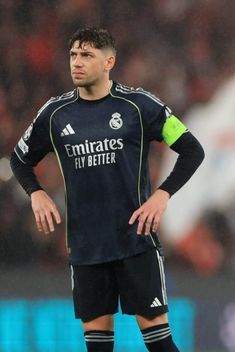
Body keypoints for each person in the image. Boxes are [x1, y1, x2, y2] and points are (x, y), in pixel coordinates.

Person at [11, 27, 205, 352]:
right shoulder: (54, 114)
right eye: (73, 55)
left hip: (135, 243)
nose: (77, 62)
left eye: (87, 55)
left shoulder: (140, 106)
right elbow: (19, 160)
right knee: (98, 348)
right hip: (87, 250)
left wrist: (162, 194)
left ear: (108, 62)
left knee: (160, 344)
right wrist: (36, 192)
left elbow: (192, 150)